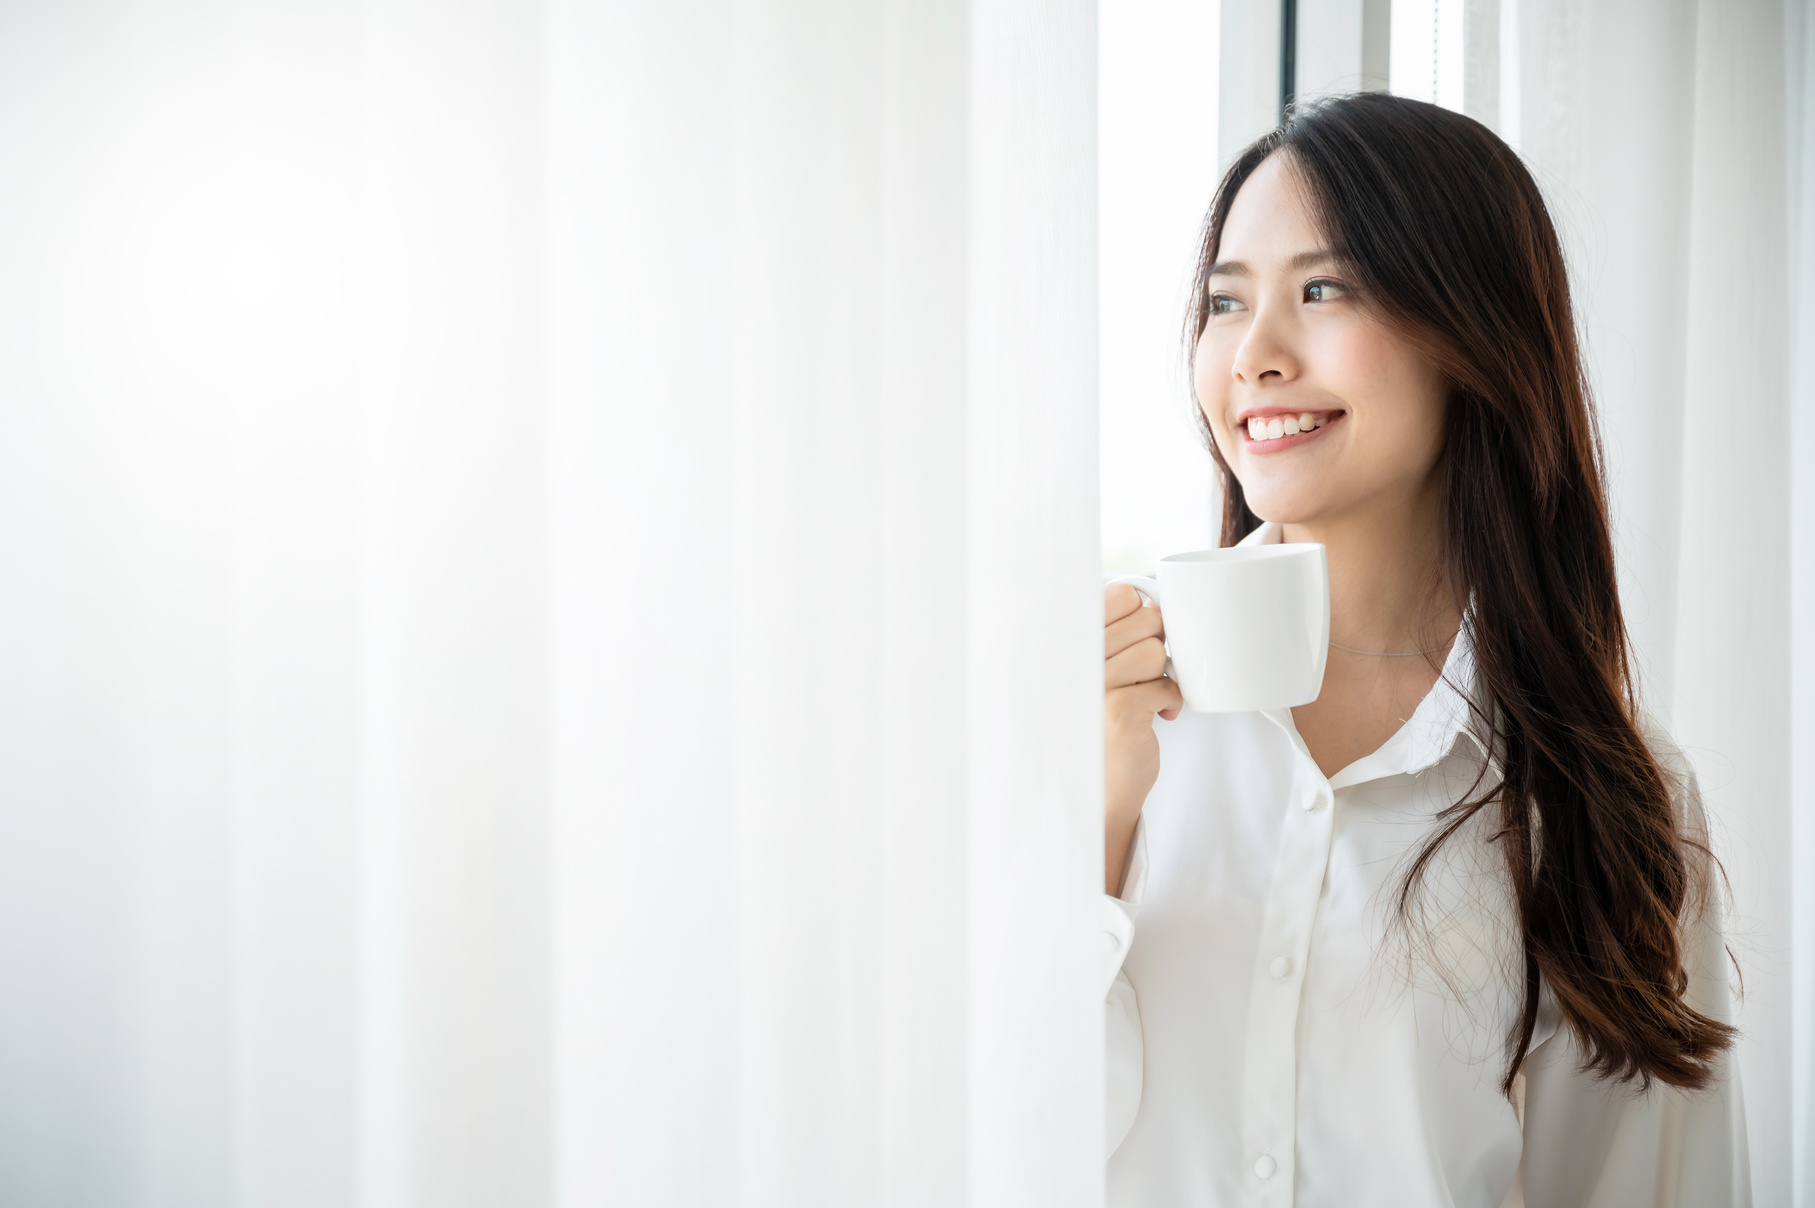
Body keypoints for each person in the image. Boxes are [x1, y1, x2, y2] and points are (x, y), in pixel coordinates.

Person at [1101, 93, 1749, 1207]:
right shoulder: (1090, 701)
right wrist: (1096, 812)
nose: (1252, 355)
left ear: (1472, 336)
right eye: (1223, 301)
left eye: (1323, 288)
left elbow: (1648, 1184)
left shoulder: (1607, 788)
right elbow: (967, 1128)